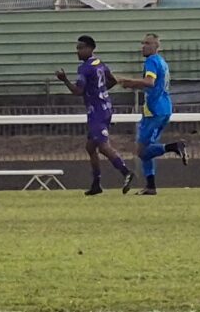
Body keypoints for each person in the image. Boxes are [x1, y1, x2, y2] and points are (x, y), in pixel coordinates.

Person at [111, 32, 187, 196]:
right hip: (163, 109)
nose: (143, 46)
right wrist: (131, 84)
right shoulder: (161, 61)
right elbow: (153, 84)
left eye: (147, 43)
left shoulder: (151, 61)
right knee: (147, 150)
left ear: (156, 46)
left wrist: (126, 80)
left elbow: (149, 82)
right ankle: (150, 186)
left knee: (142, 151)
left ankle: (174, 147)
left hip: (154, 111)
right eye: (142, 43)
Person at [57, 35, 134, 195]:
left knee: (103, 146)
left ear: (90, 48)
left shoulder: (84, 68)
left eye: (81, 48)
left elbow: (78, 91)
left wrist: (64, 80)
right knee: (90, 147)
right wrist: (100, 91)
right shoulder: (99, 63)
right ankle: (96, 184)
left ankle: (126, 172)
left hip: (97, 111)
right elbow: (112, 80)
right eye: (77, 48)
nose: (78, 51)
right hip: (105, 107)